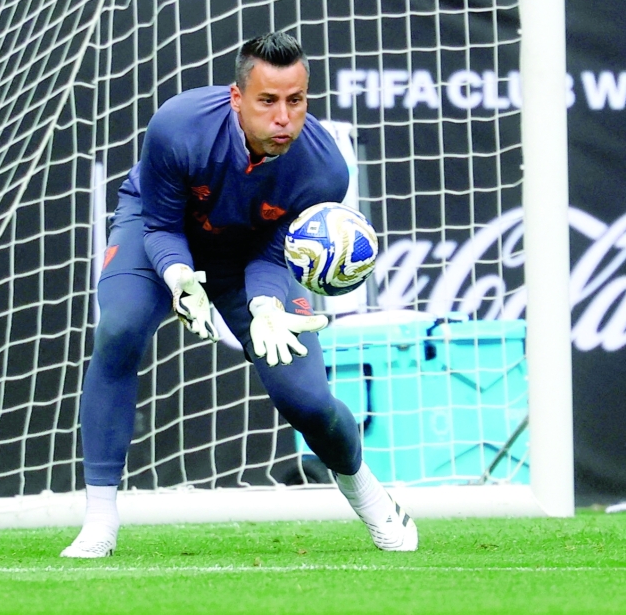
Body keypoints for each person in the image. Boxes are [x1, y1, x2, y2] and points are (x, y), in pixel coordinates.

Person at [61, 32, 418, 558]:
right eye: (267, 101)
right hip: (163, 234)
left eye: (295, 101)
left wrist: (266, 304)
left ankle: (369, 493)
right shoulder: (178, 125)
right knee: (120, 326)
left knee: (307, 400)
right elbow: (159, 224)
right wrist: (180, 277)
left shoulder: (325, 170)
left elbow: (274, 254)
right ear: (237, 98)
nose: (283, 118)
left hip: (248, 255)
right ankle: (99, 521)